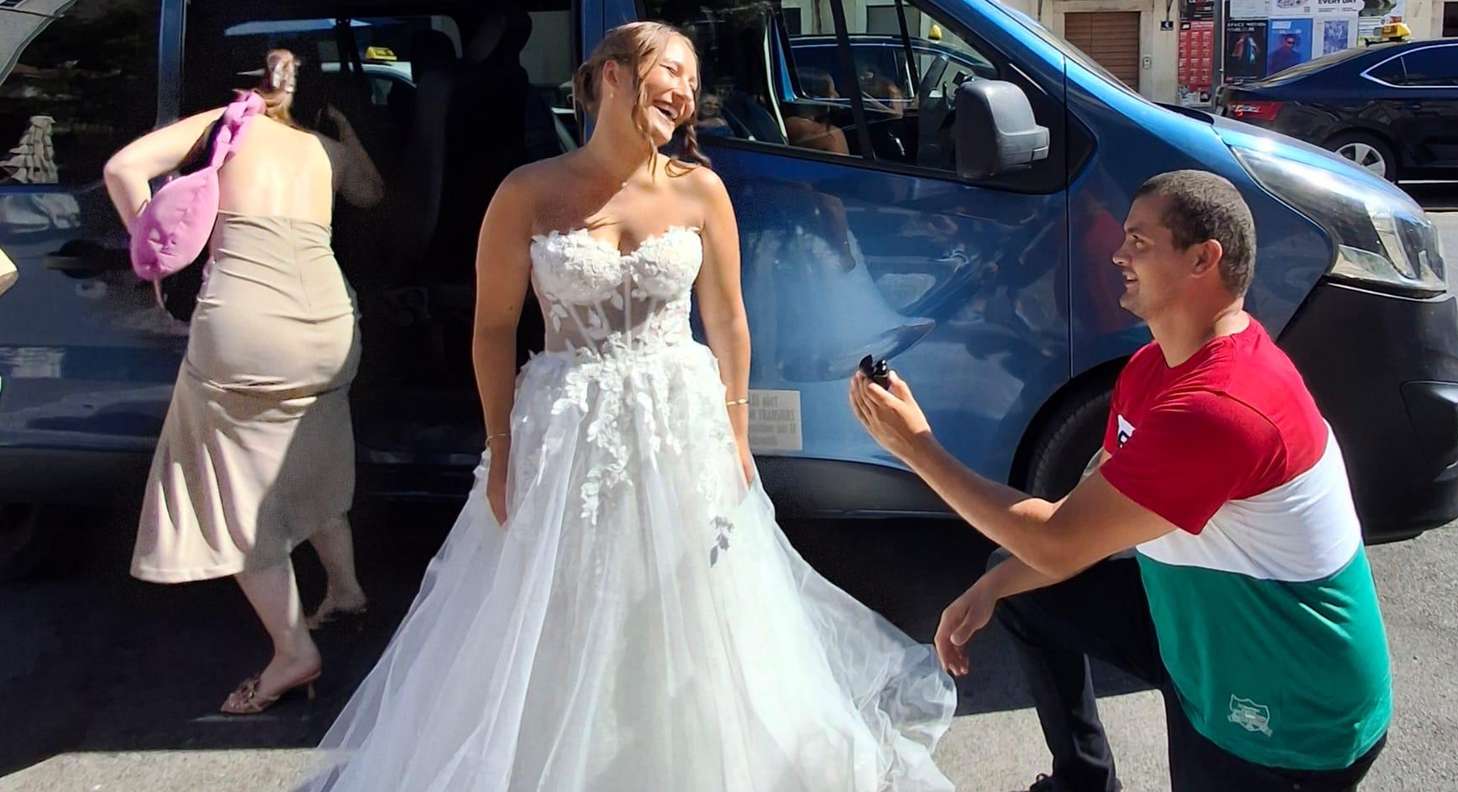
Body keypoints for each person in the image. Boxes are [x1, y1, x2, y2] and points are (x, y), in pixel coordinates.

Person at [305, 22, 955, 791]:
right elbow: (491, 330)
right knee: (562, 605)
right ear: (611, 74)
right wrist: (500, 451)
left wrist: (735, 434)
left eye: (692, 82)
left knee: (692, 603)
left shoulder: (699, 190)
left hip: (680, 420)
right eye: (671, 70)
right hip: (563, 426)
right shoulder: (527, 191)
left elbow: (727, 320)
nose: (685, 92)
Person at [850, 170, 1392, 791]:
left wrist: (915, 447)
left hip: (1288, 703)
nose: (1117, 253)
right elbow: (1080, 521)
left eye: (1139, 240)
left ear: (1203, 259)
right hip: (1199, 626)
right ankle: (1083, 780)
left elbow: (1059, 542)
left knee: (1037, 558)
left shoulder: (1222, 406)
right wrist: (993, 587)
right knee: (1020, 580)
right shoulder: (1151, 368)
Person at [105, 49, 383, 715]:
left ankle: (293, 652)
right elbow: (372, 194)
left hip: (248, 325)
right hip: (331, 325)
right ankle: (345, 591)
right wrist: (346, 131)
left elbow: (122, 168)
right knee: (315, 456)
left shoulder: (226, 126)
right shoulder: (325, 150)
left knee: (232, 491)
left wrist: (157, 243)